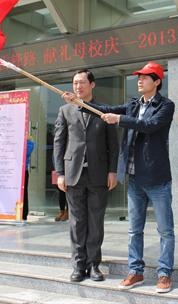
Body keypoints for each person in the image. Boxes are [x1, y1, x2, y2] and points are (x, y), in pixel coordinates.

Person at [63, 61, 175, 294]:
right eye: (138, 77)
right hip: (134, 179)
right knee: (134, 230)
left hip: (157, 179)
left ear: (157, 81)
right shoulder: (134, 104)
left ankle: (164, 274)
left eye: (145, 77)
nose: (139, 80)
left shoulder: (166, 106)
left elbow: (150, 125)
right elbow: (106, 109)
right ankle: (135, 270)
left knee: (165, 230)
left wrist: (119, 119)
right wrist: (79, 103)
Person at [54, 69, 119, 283]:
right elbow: (59, 143)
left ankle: (94, 265)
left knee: (95, 221)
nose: (78, 86)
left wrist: (112, 171)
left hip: (98, 174)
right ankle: (78, 265)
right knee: (76, 222)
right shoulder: (65, 111)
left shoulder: (103, 111)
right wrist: (60, 173)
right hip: (73, 174)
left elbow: (113, 145)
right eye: (75, 83)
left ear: (92, 84)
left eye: (82, 82)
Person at [23, 137, 35, 221]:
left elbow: (26, 152)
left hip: (23, 171)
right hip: (12, 171)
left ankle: (24, 214)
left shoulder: (29, 142)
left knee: (24, 193)